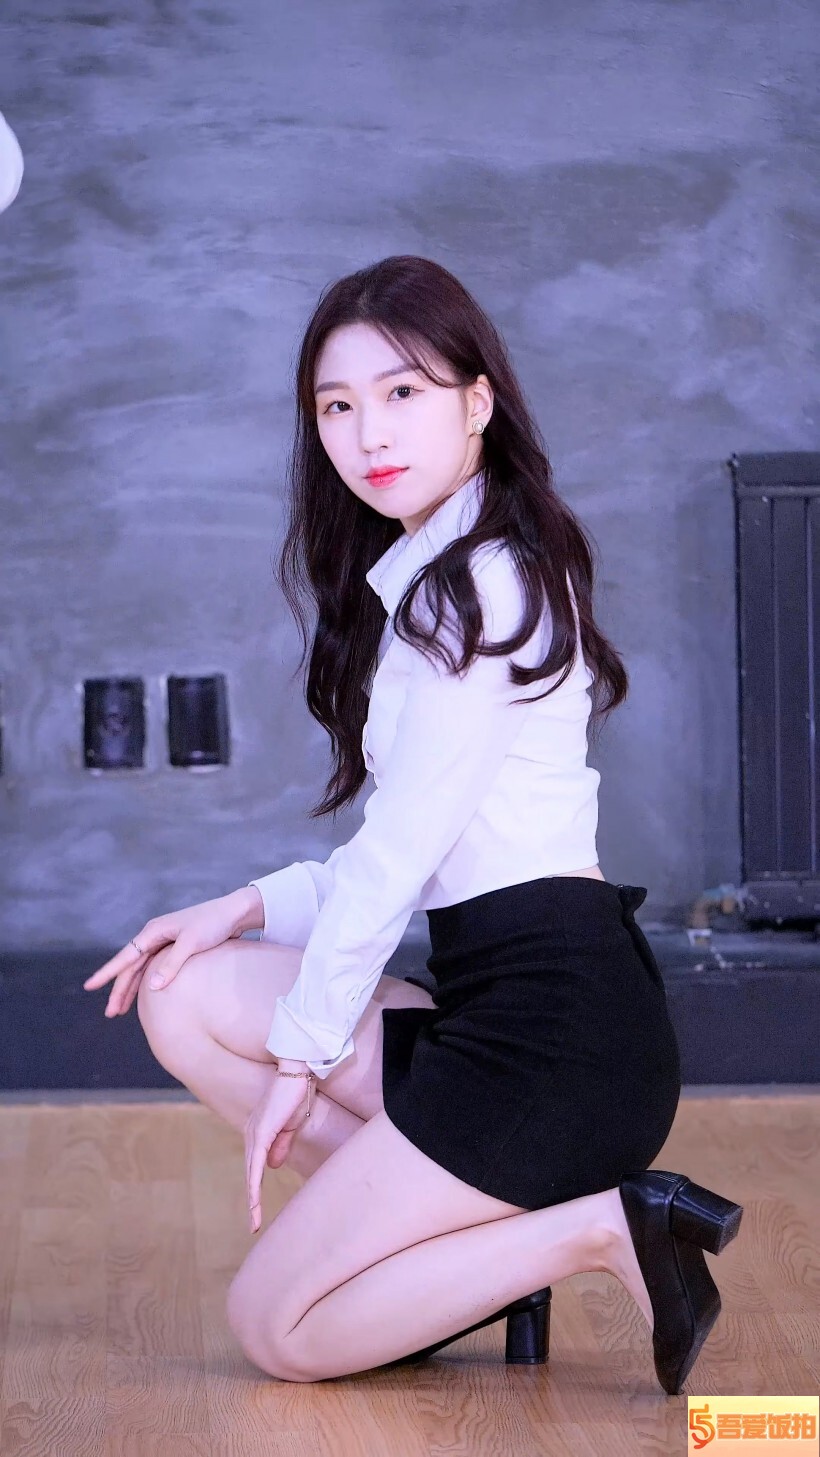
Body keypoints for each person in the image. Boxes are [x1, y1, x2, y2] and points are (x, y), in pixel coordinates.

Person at [84, 255, 743, 1391]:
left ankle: (601, 1228)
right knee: (181, 989)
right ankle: (434, 1276)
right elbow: (412, 845)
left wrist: (304, 1051)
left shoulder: (483, 588)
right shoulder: (437, 573)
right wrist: (237, 907)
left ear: (477, 401)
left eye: (402, 392)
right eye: (336, 406)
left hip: (559, 1048)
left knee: (274, 1330)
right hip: (493, 1009)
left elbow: (397, 859)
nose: (367, 434)